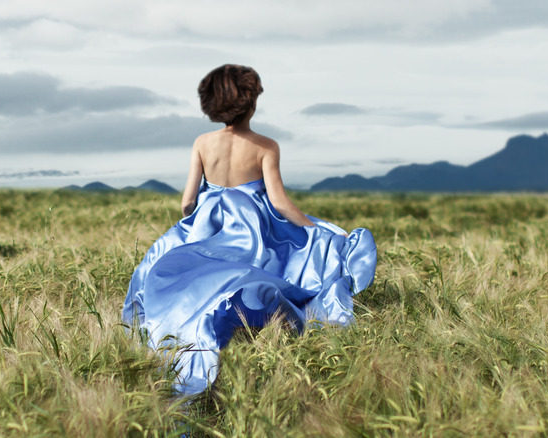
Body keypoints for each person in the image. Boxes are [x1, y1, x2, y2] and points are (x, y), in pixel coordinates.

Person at [122, 64, 376, 396]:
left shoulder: (202, 143)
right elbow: (280, 203)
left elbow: (187, 202)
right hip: (252, 227)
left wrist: (197, 223)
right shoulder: (265, 146)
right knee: (268, 264)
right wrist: (317, 230)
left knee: (185, 271)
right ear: (251, 102)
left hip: (208, 225)